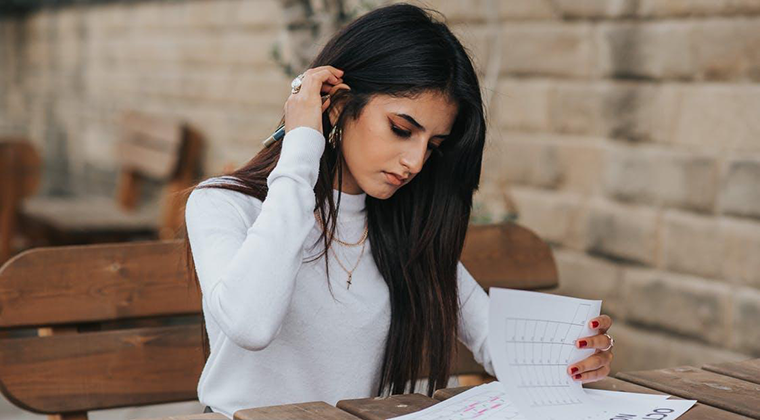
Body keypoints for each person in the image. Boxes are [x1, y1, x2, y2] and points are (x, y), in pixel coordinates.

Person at [183, 3, 614, 418]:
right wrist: (301, 147)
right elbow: (251, 324)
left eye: (433, 145)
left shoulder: (403, 228)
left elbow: (494, 340)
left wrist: (574, 355)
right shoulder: (223, 204)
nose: (415, 161)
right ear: (336, 103)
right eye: (401, 129)